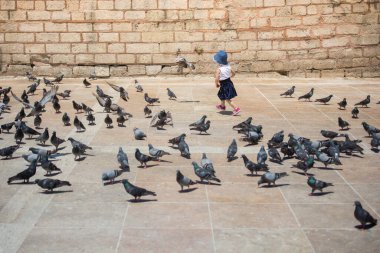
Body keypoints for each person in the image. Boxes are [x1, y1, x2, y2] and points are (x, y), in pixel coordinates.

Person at [213, 50, 241, 116]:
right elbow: (234, 73)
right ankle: (222, 106)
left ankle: (236, 109)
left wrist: (216, 84)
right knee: (222, 95)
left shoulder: (219, 69)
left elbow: (216, 78)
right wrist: (230, 77)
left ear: (218, 61)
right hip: (229, 82)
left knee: (228, 99)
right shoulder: (228, 66)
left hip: (224, 84)